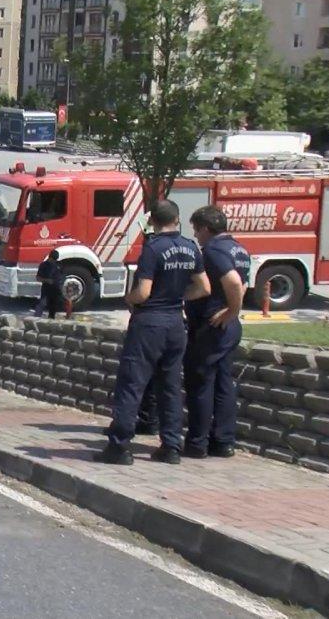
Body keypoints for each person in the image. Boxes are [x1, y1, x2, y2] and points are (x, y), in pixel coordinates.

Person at [95, 199, 209, 466]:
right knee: (169, 386)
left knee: (132, 384)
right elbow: (204, 288)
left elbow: (143, 291)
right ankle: (171, 446)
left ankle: (119, 446)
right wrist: (179, 297)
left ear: (152, 222)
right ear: (178, 220)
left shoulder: (153, 248)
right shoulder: (191, 248)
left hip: (149, 323)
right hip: (175, 323)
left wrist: (130, 299)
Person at [183, 205, 250, 459]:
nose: (196, 236)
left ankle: (197, 444)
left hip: (213, 325)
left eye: (197, 230)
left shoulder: (213, 251)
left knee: (200, 383)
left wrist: (229, 311)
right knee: (223, 384)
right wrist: (233, 311)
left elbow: (232, 281)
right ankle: (223, 442)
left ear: (206, 229)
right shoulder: (239, 248)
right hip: (228, 327)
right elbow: (242, 283)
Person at [35, 250, 63, 319]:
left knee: (53, 307)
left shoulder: (58, 265)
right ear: (49, 258)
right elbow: (38, 278)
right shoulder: (43, 265)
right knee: (42, 304)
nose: (54, 261)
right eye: (53, 260)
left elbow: (62, 276)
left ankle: (51, 320)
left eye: (55, 260)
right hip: (46, 289)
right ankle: (35, 319)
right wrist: (47, 280)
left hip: (56, 289)